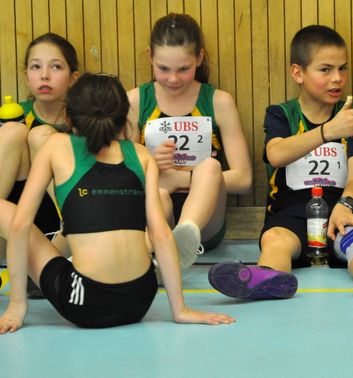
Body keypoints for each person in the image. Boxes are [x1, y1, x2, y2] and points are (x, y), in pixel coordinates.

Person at [208, 25, 353, 300]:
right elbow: (276, 154)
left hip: (341, 208)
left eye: (343, 69)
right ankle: (267, 277)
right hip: (290, 212)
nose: (337, 78)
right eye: (325, 70)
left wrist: (346, 205)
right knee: (276, 241)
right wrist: (328, 131)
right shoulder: (281, 114)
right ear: (298, 73)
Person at [0, 73, 235, 332]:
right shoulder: (142, 155)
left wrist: (16, 306)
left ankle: (49, 276)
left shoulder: (56, 144)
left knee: (5, 211)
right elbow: (161, 235)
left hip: (86, 303)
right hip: (140, 300)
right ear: (124, 119)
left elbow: (20, 225)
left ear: (68, 116)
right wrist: (180, 310)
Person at [127, 13, 252, 268]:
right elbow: (121, 174)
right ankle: (152, 256)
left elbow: (244, 179)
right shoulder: (135, 101)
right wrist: (149, 163)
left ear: (199, 58)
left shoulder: (218, 101)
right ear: (150, 56)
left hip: (206, 223)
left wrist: (180, 178)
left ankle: (186, 234)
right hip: (157, 209)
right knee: (159, 193)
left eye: (184, 69)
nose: (173, 79)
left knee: (211, 167)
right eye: (163, 68)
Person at [1, 33, 79, 237]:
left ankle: (71, 226)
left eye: (56, 67)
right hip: (12, 229)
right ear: (26, 76)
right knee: (12, 131)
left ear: (73, 78)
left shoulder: (86, 120)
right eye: (36, 66)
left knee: (42, 137)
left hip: (65, 231)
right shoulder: (14, 116)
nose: (44, 75)